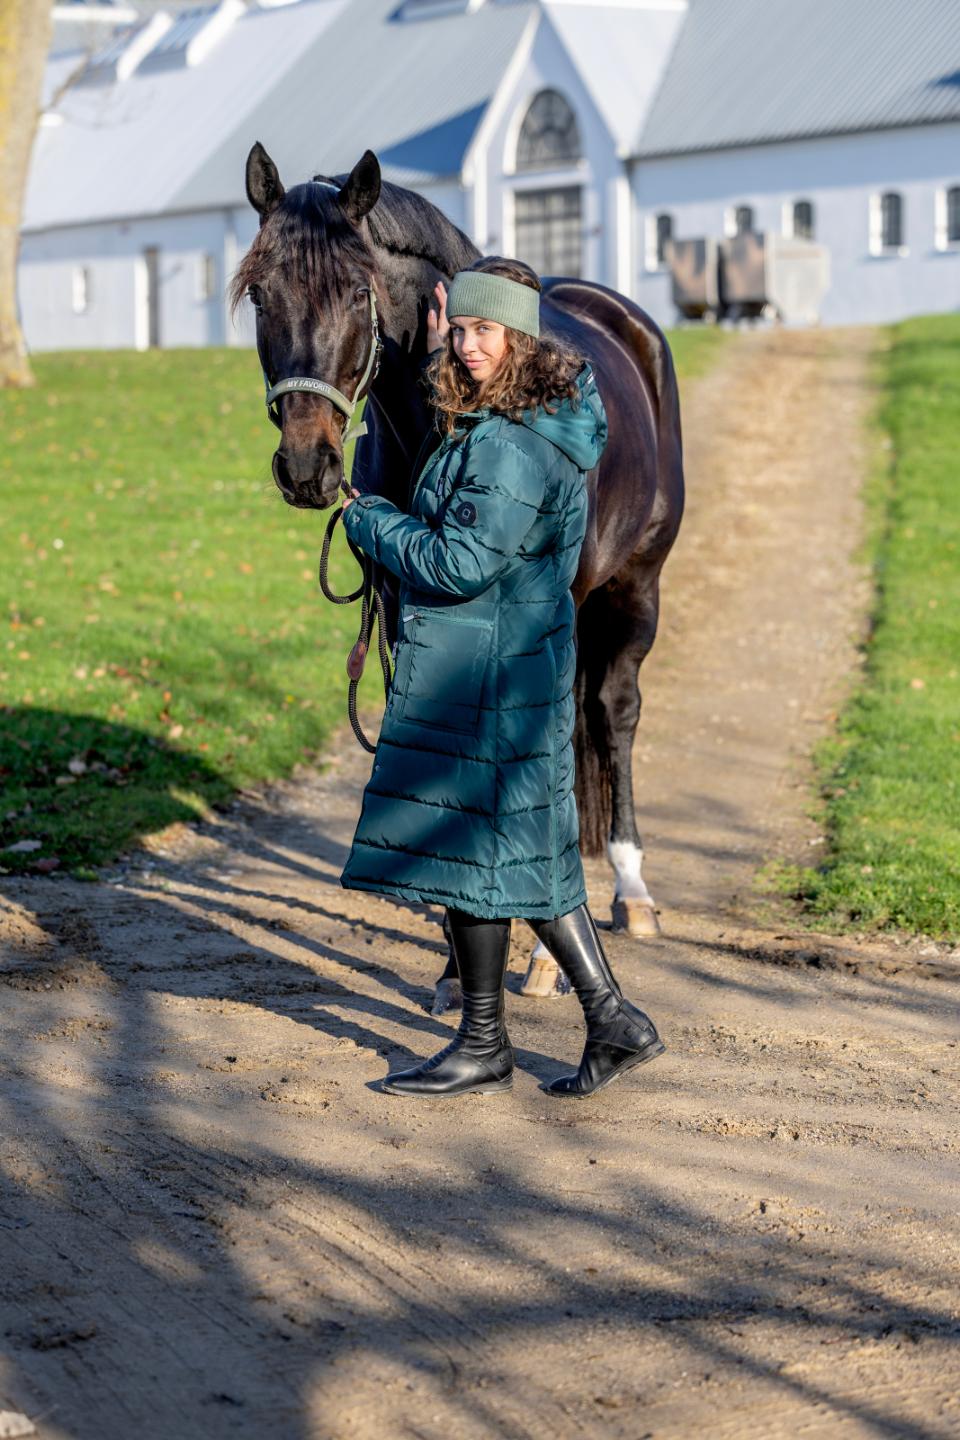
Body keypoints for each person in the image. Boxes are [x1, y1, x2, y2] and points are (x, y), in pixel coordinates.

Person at [339, 256, 664, 1099]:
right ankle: (526, 1032)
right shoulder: (521, 418)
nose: (473, 347)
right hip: (490, 665)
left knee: (502, 854)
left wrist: (367, 519)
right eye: (465, 330)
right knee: (488, 855)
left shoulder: (515, 448)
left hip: (492, 674)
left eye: (491, 332)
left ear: (523, 338)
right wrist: (445, 335)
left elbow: (458, 560)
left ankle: (590, 1019)